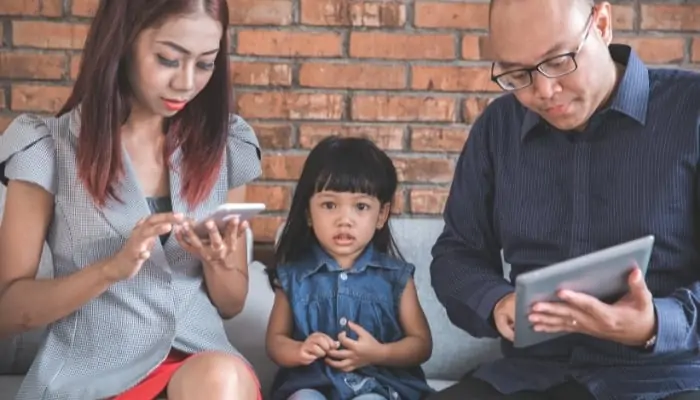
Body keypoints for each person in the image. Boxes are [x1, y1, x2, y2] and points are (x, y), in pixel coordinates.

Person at [428, 0, 700, 399]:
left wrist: (657, 323)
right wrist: (496, 302)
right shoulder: (498, 128)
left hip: (666, 377)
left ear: (602, 24)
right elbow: (455, 254)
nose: (544, 91)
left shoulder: (690, 112)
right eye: (517, 74)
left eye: (558, 61)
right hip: (532, 375)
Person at [0, 0, 264, 399]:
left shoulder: (226, 145)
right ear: (122, 42)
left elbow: (231, 304)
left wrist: (219, 264)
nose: (187, 83)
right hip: (90, 372)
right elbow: (9, 309)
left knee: (222, 378)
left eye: (206, 63)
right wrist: (110, 269)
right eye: (168, 59)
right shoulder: (48, 147)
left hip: (199, 367)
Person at [264, 136, 434, 400]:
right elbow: (275, 341)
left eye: (361, 207)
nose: (345, 220)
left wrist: (379, 353)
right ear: (308, 212)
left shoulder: (395, 277)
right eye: (329, 205)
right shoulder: (293, 276)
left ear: (381, 215)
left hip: (377, 383)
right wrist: (299, 350)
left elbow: (421, 345)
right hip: (311, 382)